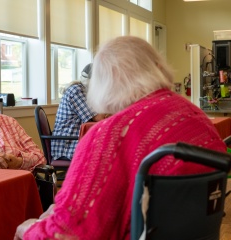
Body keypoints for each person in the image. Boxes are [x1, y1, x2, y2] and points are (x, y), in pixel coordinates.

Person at [14, 36, 226, 239]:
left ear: (102, 83)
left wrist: (30, 229)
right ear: (157, 67)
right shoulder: (197, 117)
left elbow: (72, 233)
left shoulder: (110, 135)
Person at [51, 63, 106, 161]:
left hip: (75, 140)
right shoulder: (77, 91)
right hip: (67, 146)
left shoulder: (84, 90)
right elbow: (99, 118)